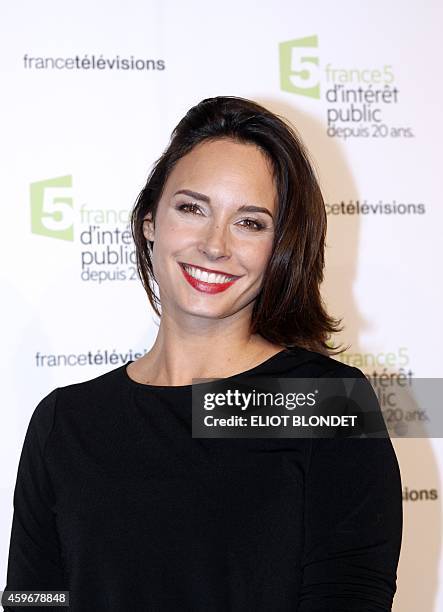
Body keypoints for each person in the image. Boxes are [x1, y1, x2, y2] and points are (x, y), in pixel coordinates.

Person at [3, 96, 403, 611]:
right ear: (150, 221)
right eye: (192, 208)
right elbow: (33, 603)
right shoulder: (67, 421)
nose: (215, 245)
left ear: (280, 247)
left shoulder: (325, 403)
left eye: (250, 223)